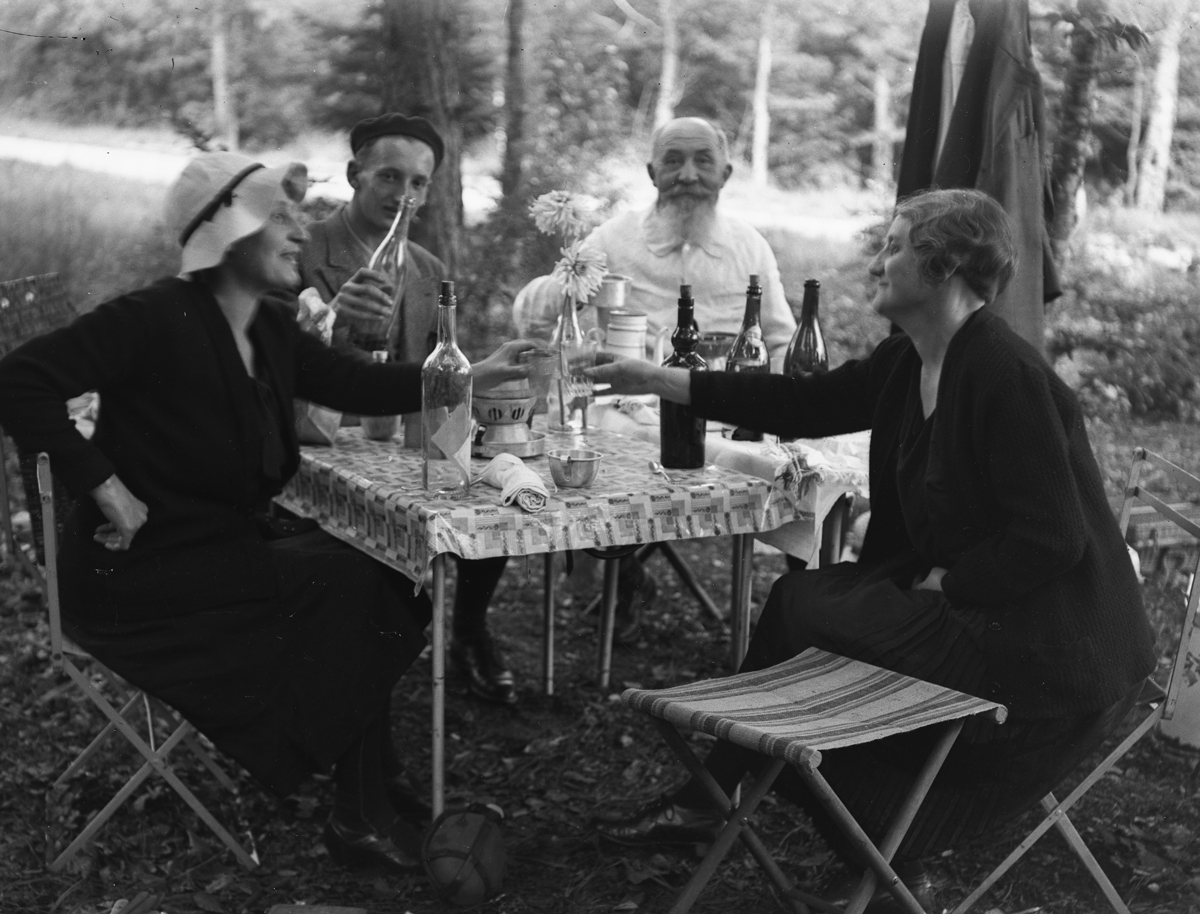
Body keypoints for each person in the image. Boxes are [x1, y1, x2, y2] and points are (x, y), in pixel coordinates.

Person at [586, 189, 1156, 910]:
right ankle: (837, 842)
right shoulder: (910, 359)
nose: (877, 261)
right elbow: (803, 405)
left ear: (944, 266)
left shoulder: (1005, 375)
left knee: (809, 614)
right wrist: (656, 378)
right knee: (804, 605)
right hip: (987, 616)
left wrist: (950, 583)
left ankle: (807, 828)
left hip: (1048, 651)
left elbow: (1052, 537)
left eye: (894, 246)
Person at [0, 152, 535, 874]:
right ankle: (362, 804)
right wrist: (102, 482)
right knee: (350, 586)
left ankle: (368, 786)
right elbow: (22, 380)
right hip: (135, 575)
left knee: (383, 569)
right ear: (226, 229)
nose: (300, 228)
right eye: (279, 214)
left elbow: (355, 382)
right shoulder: (155, 316)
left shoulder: (265, 325)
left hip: (211, 554)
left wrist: (475, 369)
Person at [298, 113, 516, 706]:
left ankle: (469, 627)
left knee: (491, 493)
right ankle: (366, 686)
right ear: (354, 175)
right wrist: (333, 316)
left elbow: (439, 376)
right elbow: (285, 365)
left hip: (398, 454)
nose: (404, 196)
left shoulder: (428, 270)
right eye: (390, 177)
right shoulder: (305, 250)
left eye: (419, 184)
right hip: (319, 451)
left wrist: (468, 426)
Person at [577, 116, 799, 641]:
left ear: (726, 172)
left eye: (703, 161)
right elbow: (576, 330)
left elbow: (781, 338)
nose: (688, 174)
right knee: (591, 435)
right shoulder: (608, 240)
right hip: (631, 409)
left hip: (729, 409)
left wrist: (787, 404)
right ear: (651, 172)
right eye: (673, 161)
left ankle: (809, 596)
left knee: (797, 459)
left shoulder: (750, 247)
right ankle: (622, 571)